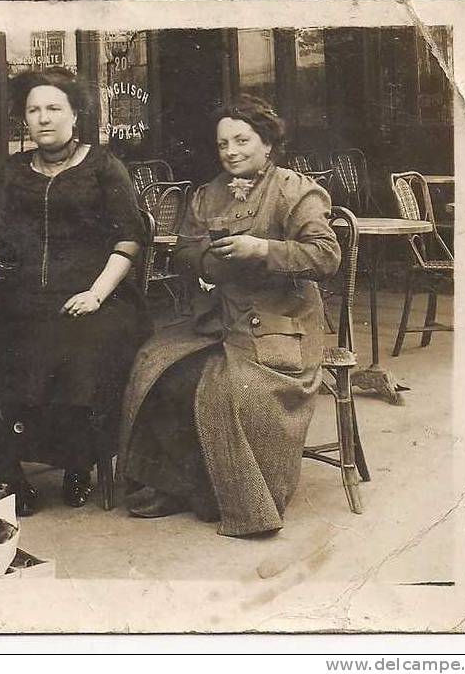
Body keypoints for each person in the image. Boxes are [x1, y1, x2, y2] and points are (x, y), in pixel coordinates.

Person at [117, 94, 341, 537]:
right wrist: (207, 260)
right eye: (223, 144)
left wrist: (263, 250)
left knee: (225, 390)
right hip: (218, 320)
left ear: (267, 144)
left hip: (283, 326)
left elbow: (326, 256)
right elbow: (182, 250)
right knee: (156, 367)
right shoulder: (208, 194)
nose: (232, 152)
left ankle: (237, 498)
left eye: (242, 140)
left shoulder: (296, 191)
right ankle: (177, 483)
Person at [0, 67, 150, 516]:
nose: (43, 118)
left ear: (75, 114)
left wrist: (97, 294)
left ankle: (78, 464)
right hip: (23, 295)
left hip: (96, 294)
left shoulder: (103, 167)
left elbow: (129, 240)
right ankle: (7, 473)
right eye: (34, 110)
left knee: (78, 352)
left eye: (53, 108)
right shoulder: (12, 171)